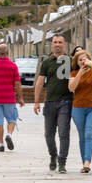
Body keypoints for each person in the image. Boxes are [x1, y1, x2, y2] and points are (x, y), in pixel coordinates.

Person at [33, 34, 72, 173]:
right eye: (55, 42)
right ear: (52, 44)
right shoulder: (47, 62)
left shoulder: (70, 61)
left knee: (63, 133)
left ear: (64, 44)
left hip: (65, 102)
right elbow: (39, 82)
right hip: (49, 103)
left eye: (60, 42)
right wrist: (36, 101)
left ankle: (62, 162)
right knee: (49, 135)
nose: (57, 44)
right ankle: (53, 155)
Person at [68, 49, 92, 173]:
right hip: (78, 108)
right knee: (82, 136)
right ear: (77, 62)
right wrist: (80, 74)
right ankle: (84, 162)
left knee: (89, 133)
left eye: (85, 58)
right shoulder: (73, 73)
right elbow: (71, 87)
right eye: (80, 60)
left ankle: (87, 162)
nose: (83, 61)